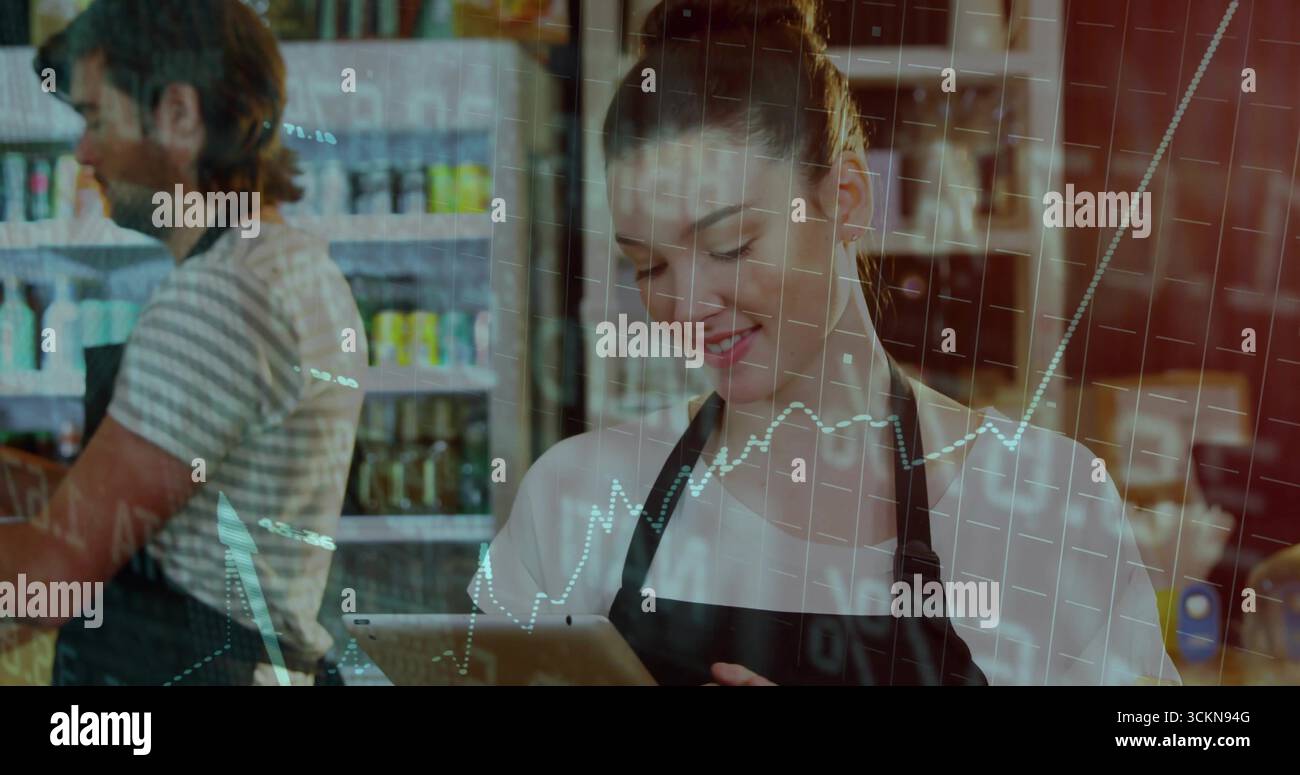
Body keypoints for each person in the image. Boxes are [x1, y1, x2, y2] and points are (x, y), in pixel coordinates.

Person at [469, 0, 1179, 685]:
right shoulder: (581, 498)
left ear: (846, 198)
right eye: (647, 265)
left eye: (731, 244)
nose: (684, 307)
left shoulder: (1040, 503)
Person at [0, 0, 365, 685]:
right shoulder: (279, 265)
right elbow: (145, 499)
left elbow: (50, 575)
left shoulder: (223, 298)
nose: (83, 151)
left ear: (179, 113)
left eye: (95, 117)